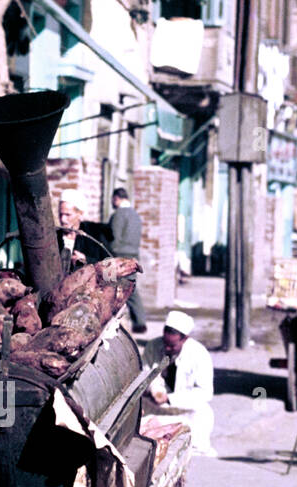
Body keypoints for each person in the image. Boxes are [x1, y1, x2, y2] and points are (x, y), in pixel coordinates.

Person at [142, 310, 216, 456]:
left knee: (203, 416)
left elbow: (205, 393)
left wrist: (171, 399)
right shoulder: (153, 346)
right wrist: (155, 390)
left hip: (185, 411)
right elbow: (146, 374)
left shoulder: (199, 354)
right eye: (165, 344)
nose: (167, 349)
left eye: (172, 346)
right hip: (155, 408)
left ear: (184, 339)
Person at [108, 186, 148, 333]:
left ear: (116, 198)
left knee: (119, 290)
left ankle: (138, 321)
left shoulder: (119, 214)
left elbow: (114, 237)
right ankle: (139, 321)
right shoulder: (136, 215)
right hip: (133, 256)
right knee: (131, 288)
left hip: (120, 257)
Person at [56, 188, 108, 274]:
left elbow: (110, 266)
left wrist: (87, 260)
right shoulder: (54, 236)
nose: (63, 219)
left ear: (79, 214)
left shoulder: (93, 236)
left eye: (68, 215)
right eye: (60, 214)